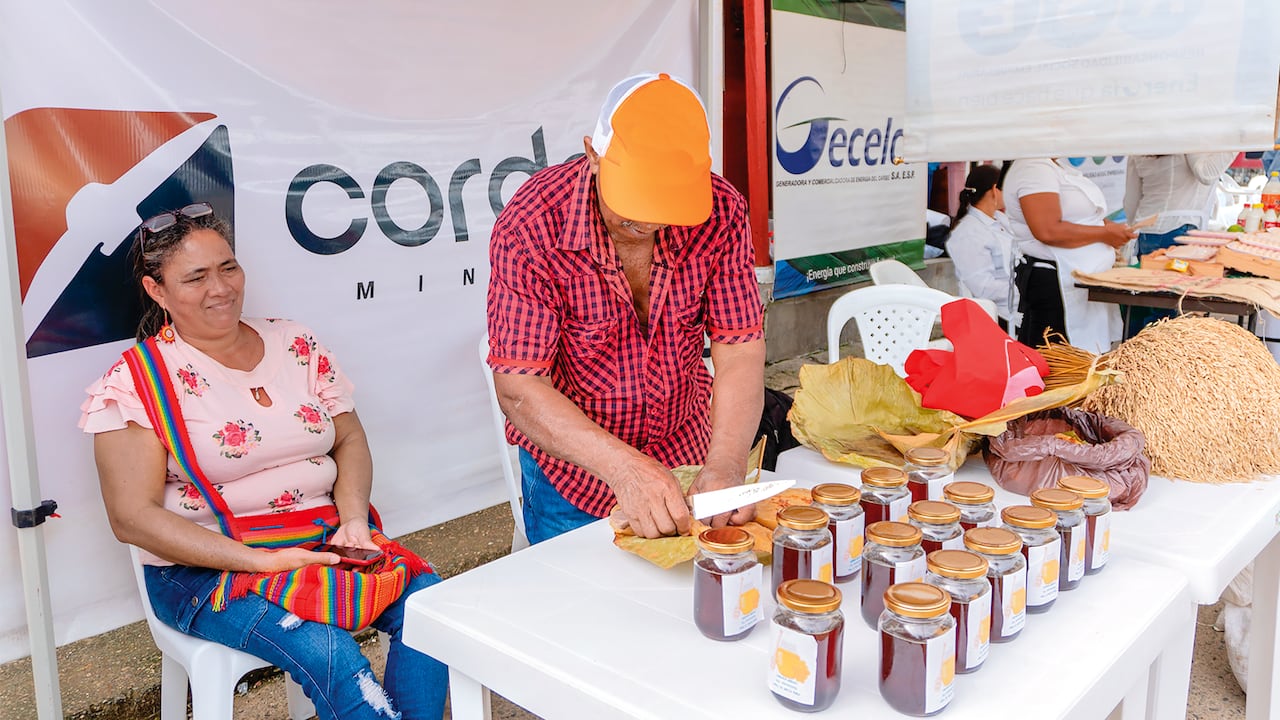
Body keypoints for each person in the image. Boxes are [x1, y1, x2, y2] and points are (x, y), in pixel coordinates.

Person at [80, 204, 446, 720]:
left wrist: (353, 521)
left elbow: (349, 438)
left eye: (228, 267)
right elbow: (131, 518)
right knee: (331, 654)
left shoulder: (294, 342)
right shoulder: (136, 384)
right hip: (209, 569)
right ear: (156, 290)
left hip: (321, 537)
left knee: (429, 604)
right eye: (195, 277)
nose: (220, 288)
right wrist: (259, 561)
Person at [485, 73, 765, 543]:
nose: (649, 223)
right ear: (594, 155)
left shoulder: (722, 210)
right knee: (578, 589)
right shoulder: (533, 223)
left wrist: (726, 463)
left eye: (667, 206)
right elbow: (519, 386)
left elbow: (738, 348)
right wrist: (625, 469)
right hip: (576, 475)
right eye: (634, 204)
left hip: (688, 450)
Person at [1003, 158, 1137, 353]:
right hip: (1056, 283)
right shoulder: (1033, 167)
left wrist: (1109, 227)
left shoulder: (1056, 166)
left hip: (1078, 282)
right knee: (1057, 362)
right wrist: (1104, 234)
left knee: (1084, 358)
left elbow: (1083, 217)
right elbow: (1047, 230)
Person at [946, 164, 1016, 324]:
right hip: (998, 315)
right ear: (994, 190)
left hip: (1016, 304)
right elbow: (982, 287)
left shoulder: (1000, 219)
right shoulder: (968, 233)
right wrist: (1023, 290)